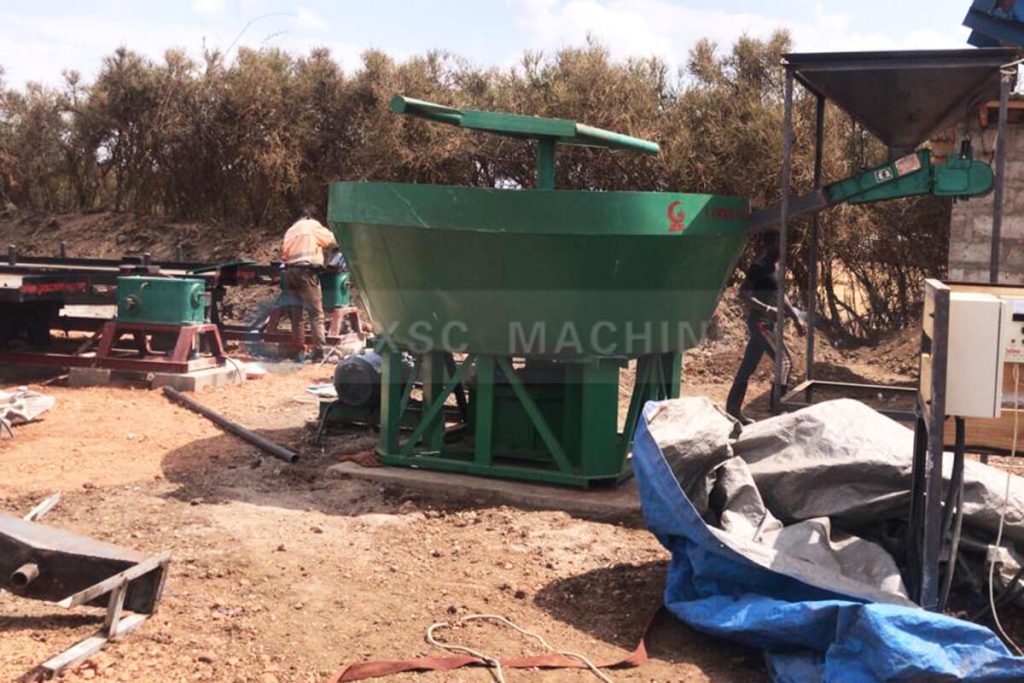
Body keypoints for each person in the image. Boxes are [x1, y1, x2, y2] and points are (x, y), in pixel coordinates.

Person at [725, 236, 805, 424]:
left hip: (770, 323)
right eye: (777, 242)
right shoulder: (759, 266)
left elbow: (781, 294)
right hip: (761, 322)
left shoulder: (778, 266)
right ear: (769, 245)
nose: (782, 246)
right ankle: (777, 410)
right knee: (784, 362)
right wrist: (767, 309)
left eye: (783, 242)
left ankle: (733, 410)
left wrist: (795, 317)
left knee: (748, 367)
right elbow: (743, 293)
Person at [281, 206, 338, 361]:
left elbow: (284, 255)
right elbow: (334, 240)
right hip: (306, 273)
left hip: (290, 273)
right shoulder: (312, 225)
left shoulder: (290, 230)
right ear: (309, 217)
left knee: (296, 314)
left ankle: (298, 352)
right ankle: (319, 353)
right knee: (316, 314)